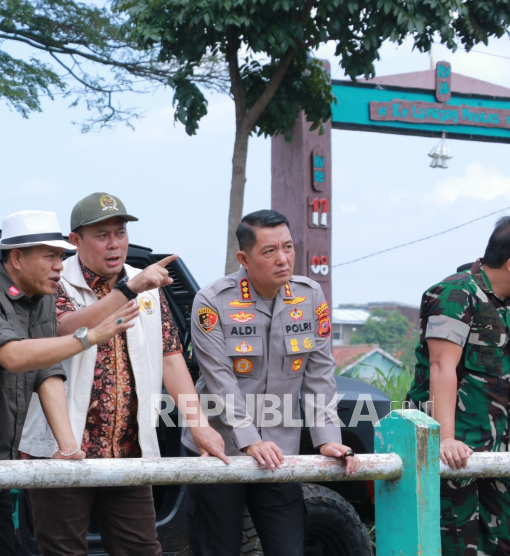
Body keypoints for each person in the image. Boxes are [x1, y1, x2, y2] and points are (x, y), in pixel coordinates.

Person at [19, 192, 228, 556]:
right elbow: (65, 328)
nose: (115, 244)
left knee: (142, 550)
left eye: (120, 233)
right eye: (102, 235)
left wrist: (199, 425)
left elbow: (170, 355)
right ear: (75, 241)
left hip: (129, 453)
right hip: (63, 452)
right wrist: (128, 290)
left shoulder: (142, 282)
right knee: (62, 551)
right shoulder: (56, 279)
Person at [0, 210, 138, 556]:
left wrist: (68, 447)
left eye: (61, 256)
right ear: (17, 258)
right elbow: (13, 356)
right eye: (50, 256)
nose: (59, 266)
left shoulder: (43, 301)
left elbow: (46, 372)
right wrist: (90, 336)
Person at [184, 209, 359, 555]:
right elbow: (220, 380)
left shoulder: (310, 298)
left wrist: (328, 439)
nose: (283, 259)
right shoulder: (212, 301)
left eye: (288, 247)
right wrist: (250, 441)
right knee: (218, 549)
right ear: (243, 258)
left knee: (289, 549)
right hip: (220, 451)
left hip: (280, 453)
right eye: (269, 251)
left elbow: (320, 375)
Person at [406, 216, 510, 556]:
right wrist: (445, 438)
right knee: (455, 547)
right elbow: (441, 365)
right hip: (454, 450)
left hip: (499, 447)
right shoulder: (455, 294)